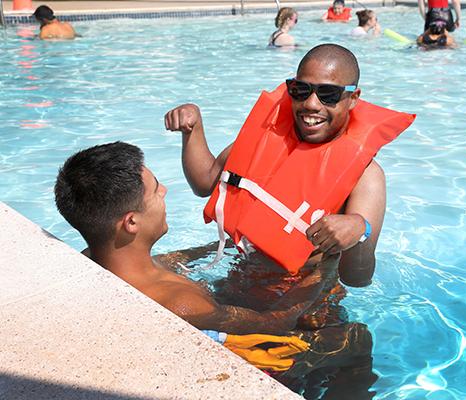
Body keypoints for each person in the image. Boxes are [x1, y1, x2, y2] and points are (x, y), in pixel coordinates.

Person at [55, 141, 375, 386]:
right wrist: (323, 266)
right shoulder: (182, 304)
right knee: (357, 337)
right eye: (155, 190)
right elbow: (277, 321)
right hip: (236, 352)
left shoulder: (97, 262)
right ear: (131, 223)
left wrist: (230, 240)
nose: (164, 190)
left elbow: (175, 260)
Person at [164, 44, 415, 329]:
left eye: (329, 94)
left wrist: (359, 230)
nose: (311, 104)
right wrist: (192, 129)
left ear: (353, 98)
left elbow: (357, 278)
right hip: (239, 278)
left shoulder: (365, 176)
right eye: (300, 90)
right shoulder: (267, 140)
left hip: (304, 309)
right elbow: (205, 181)